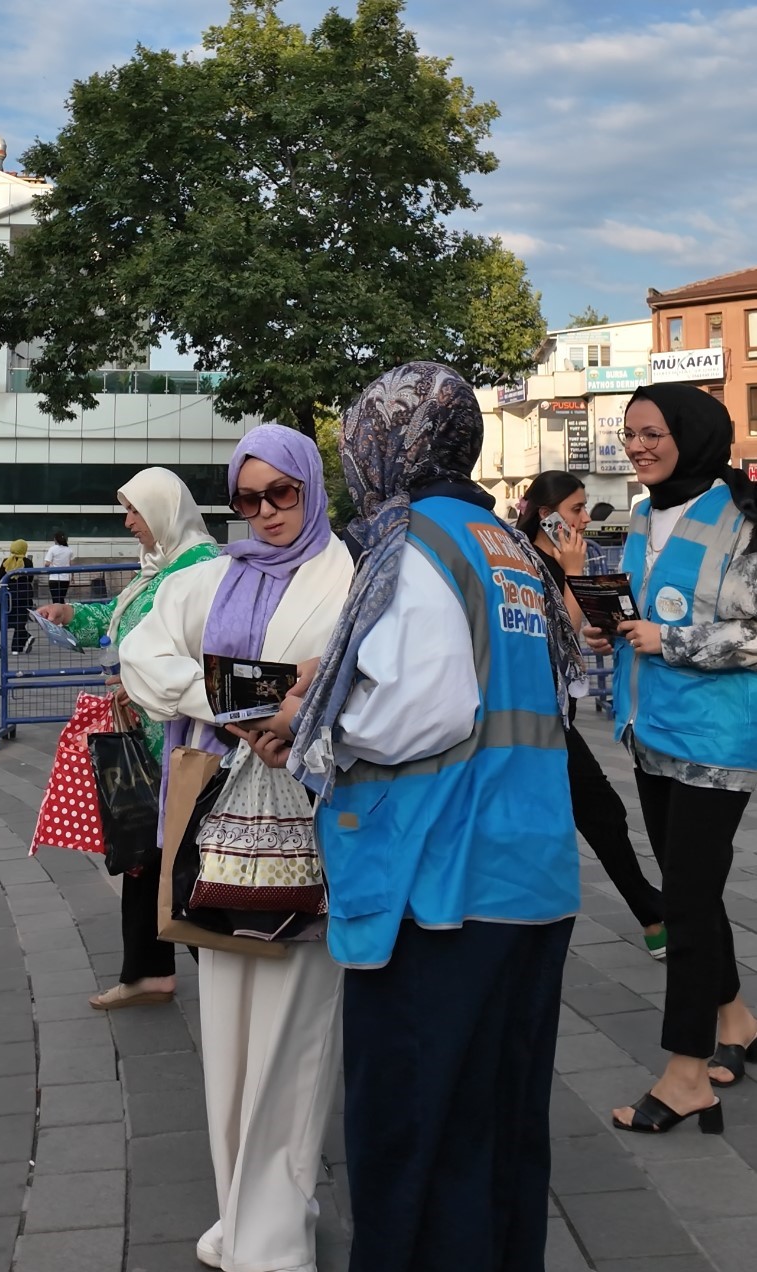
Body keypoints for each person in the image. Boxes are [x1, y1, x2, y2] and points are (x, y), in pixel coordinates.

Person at [257, 363, 581, 1272]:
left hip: (435, 881)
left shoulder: (414, 541)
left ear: (383, 444)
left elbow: (418, 709)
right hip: (528, 872)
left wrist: (309, 722)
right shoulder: (502, 540)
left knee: (414, 1123)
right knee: (500, 1118)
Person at [119, 426, 352, 1272]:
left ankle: (275, 1234)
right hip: (218, 832)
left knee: (296, 1037)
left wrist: (268, 699)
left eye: (280, 494)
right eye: (246, 499)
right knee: (224, 1034)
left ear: (310, 487)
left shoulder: (351, 573)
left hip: (311, 829)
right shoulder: (210, 576)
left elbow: (347, 676)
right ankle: (240, 1217)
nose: (264, 514)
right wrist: (243, 699)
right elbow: (141, 656)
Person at [586, 384, 757, 1134]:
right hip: (646, 730)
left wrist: (672, 642)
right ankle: (736, 1020)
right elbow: (645, 612)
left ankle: (686, 1075)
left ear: (690, 433)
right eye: (628, 434)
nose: (636, 446)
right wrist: (612, 631)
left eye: (650, 432)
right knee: (691, 889)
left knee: (685, 902)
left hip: (716, 743)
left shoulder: (743, 519)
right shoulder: (643, 516)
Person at [36, 468, 219, 1010]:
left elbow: (206, 651)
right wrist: (72, 616)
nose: (128, 522)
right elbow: (123, 624)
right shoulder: (156, 570)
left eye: (135, 510)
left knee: (183, 860)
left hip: (185, 742)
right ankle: (146, 972)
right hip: (147, 737)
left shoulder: (204, 571)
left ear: (164, 511)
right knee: (143, 849)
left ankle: (227, 970)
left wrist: (142, 681)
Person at [517, 471, 667, 957]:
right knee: (600, 810)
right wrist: (576, 577)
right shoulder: (526, 561)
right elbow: (551, 641)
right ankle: (653, 915)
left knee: (592, 813)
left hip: (559, 713)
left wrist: (605, 628)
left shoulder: (560, 559)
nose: (584, 518)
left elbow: (582, 634)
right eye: (577, 509)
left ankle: (651, 913)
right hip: (534, 716)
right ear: (547, 515)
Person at [0, 539, 35, 654]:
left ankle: (19, 645)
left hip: (9, 594)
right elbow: (30, 578)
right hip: (24, 594)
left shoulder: (6, 562)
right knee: (20, 621)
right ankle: (19, 645)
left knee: (2, 622)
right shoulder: (28, 562)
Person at [43, 531, 74, 605]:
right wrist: (72, 576)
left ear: (55, 539)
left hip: (54, 578)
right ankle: (62, 614)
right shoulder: (69, 550)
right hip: (65, 578)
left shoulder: (52, 549)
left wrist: (46, 567)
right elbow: (71, 564)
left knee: (56, 600)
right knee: (61, 598)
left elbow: (47, 563)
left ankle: (57, 615)